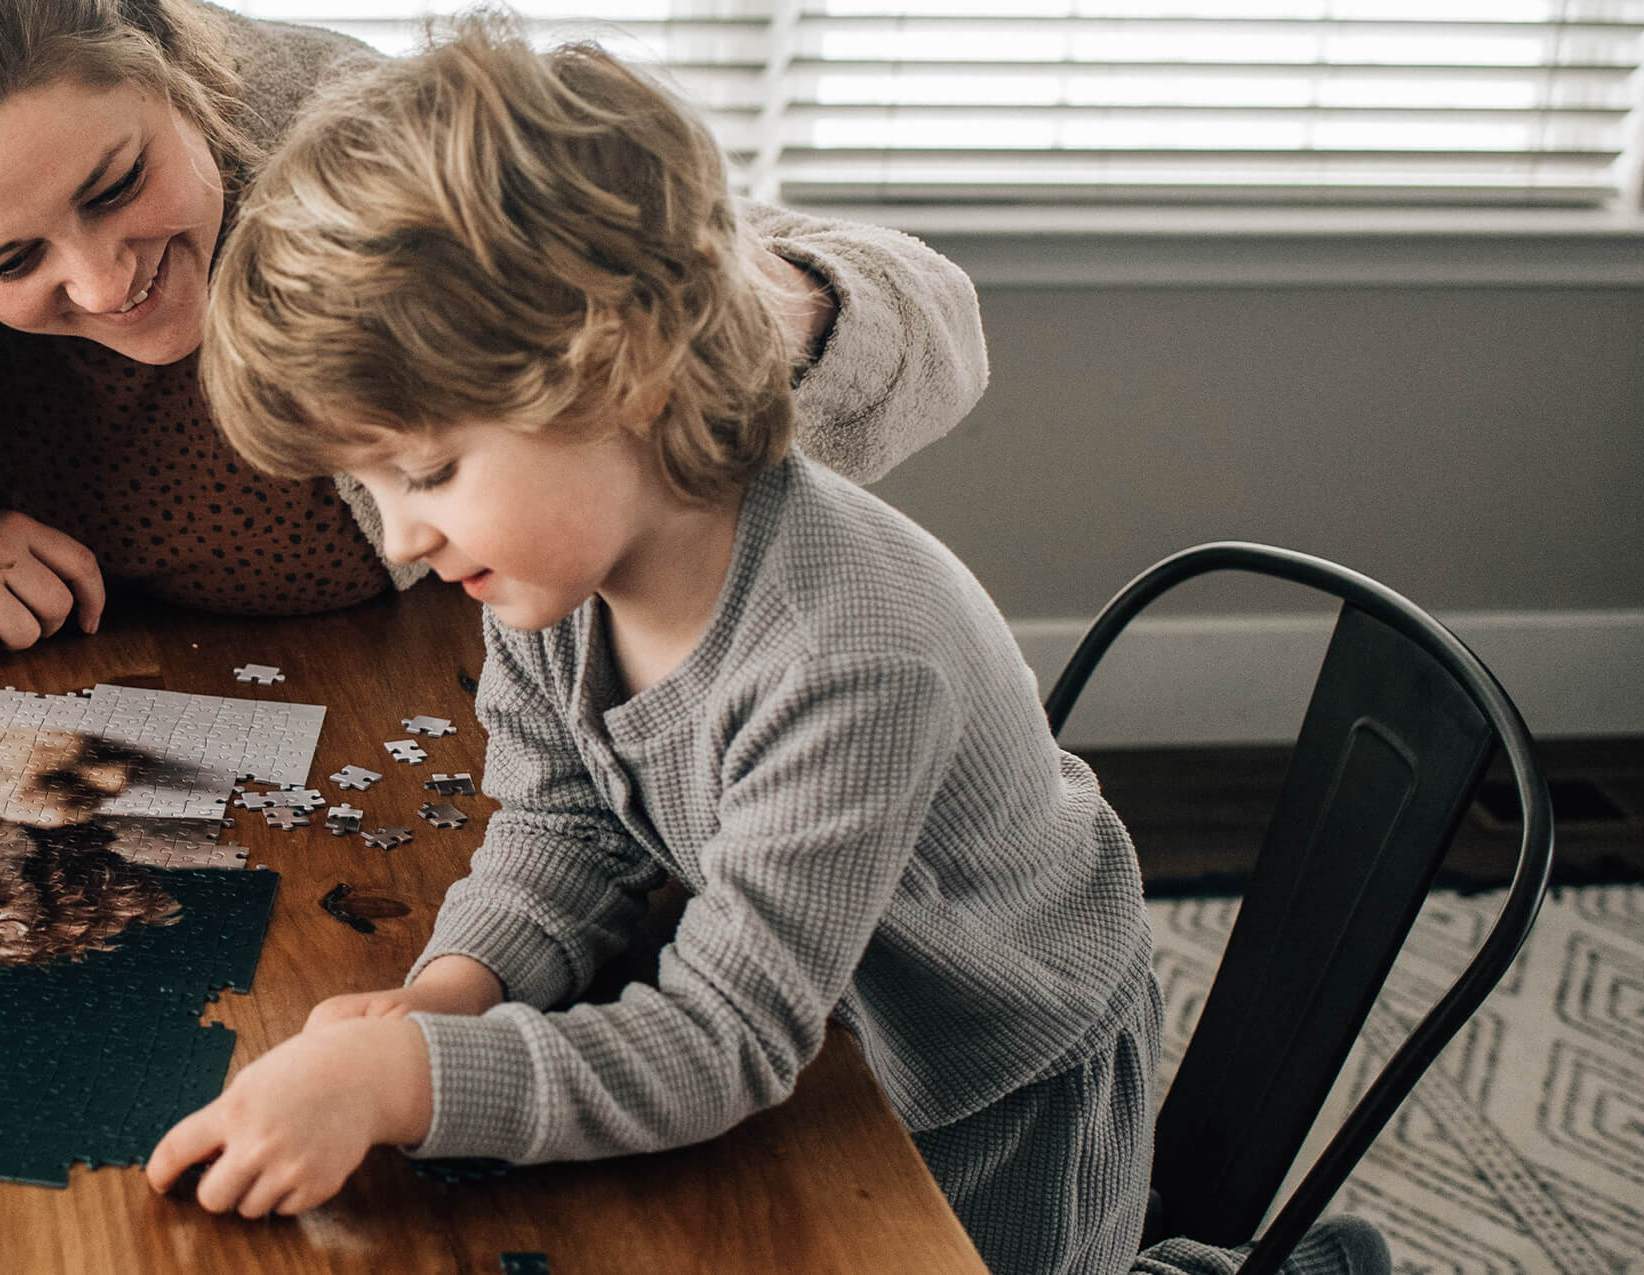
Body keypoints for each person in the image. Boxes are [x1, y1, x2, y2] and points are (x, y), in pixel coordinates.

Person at [140, 23, 1178, 1275]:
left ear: (621, 375)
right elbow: (569, 821)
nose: (402, 534)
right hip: (822, 1016)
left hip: (986, 1077)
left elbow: (731, 1038)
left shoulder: (850, 656)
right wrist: (454, 990)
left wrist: (410, 1079)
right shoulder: (549, 573)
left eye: (425, 469)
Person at [0, 0, 987, 664]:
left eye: (121, 183)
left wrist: (733, 313)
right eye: (9, 258)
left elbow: (933, 316)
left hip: (403, 722)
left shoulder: (327, 133)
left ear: (173, 69)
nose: (107, 277)